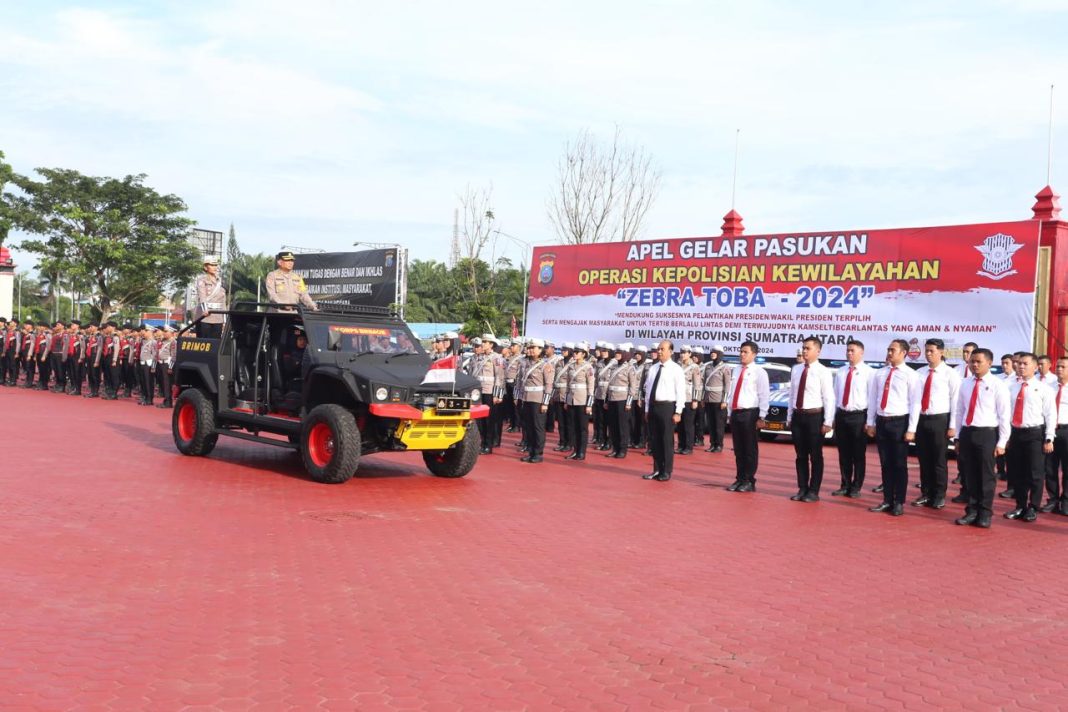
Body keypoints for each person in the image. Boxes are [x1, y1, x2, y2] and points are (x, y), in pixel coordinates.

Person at [953, 348, 1011, 528]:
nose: (974, 365)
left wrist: (1002, 441)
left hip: (987, 433)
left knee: (986, 475)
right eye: (972, 362)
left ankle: (985, 512)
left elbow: (1004, 415)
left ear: (989, 363)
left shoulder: (997, 385)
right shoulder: (965, 383)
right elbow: (960, 411)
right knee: (969, 474)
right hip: (968, 432)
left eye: (979, 362)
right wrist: (957, 436)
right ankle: (971, 510)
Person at [865, 339, 920, 517]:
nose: (889, 353)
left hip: (899, 422)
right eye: (888, 349)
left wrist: (911, 429)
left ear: (904, 353)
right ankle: (887, 499)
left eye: (893, 350)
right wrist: (871, 422)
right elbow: (873, 399)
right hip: (882, 421)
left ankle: (898, 502)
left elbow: (915, 403)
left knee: (899, 464)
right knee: (885, 463)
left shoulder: (911, 375)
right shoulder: (879, 373)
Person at [907, 338, 961, 510]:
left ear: (941, 352)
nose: (928, 354)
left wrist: (953, 425)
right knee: (924, 458)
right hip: (923, 419)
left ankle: (939, 495)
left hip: (940, 419)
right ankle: (926, 492)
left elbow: (955, 401)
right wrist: (913, 426)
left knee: (938, 460)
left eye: (932, 351)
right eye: (927, 351)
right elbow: (915, 400)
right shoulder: (920, 373)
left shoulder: (950, 374)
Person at [1002, 353, 1057, 522]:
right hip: (1015, 433)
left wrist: (1049, 438)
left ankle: (1033, 507)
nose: (1021, 367)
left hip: (1035, 434)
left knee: (1035, 473)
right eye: (1019, 364)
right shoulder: (1010, 387)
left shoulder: (1044, 388)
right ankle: (1020, 506)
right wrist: (1005, 436)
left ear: (1035, 367)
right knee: (1017, 472)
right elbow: (1005, 413)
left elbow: (1050, 415)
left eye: (1025, 364)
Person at [785, 336, 836, 502]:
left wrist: (828, 422)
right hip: (798, 416)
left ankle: (814, 491)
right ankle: (802, 488)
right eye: (803, 348)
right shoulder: (796, 369)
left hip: (815, 416)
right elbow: (792, 394)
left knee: (815, 455)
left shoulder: (823, 371)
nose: (804, 351)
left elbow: (829, 397)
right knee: (800, 455)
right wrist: (790, 416)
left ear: (818, 351)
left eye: (808, 348)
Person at [726, 341, 770, 492]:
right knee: (738, 449)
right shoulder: (736, 370)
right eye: (741, 351)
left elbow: (764, 395)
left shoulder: (759, 372)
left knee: (749, 448)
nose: (742, 354)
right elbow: (731, 392)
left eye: (745, 352)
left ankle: (749, 480)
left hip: (750, 413)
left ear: (754, 354)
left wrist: (762, 416)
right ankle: (740, 478)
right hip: (736, 412)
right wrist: (729, 412)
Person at [831, 340, 873, 498]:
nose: (849, 353)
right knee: (844, 453)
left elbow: (873, 398)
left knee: (858, 454)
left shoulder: (869, 372)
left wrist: (870, 422)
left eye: (852, 350)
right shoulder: (841, 371)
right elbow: (835, 396)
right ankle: (845, 484)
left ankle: (856, 486)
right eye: (847, 350)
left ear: (861, 353)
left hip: (859, 416)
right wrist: (833, 417)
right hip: (842, 414)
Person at [642, 340, 687, 482]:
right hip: (654, 406)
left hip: (667, 407)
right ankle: (656, 469)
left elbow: (681, 392)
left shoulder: (676, 369)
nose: (659, 351)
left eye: (662, 349)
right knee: (654, 440)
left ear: (671, 351)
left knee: (666, 440)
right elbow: (648, 390)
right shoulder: (653, 368)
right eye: (658, 349)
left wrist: (678, 411)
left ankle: (666, 471)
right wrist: (647, 409)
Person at [518, 338, 553, 463]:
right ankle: (531, 451)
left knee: (538, 427)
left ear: (540, 350)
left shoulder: (545, 365)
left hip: (538, 400)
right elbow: (520, 381)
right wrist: (519, 397)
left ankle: (538, 453)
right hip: (526, 398)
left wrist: (545, 402)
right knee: (528, 427)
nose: (531, 350)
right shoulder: (525, 363)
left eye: (534, 348)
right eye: (530, 347)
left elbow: (549, 385)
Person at [1044, 356, 1068, 515]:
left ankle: (1066, 501)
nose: (1059, 369)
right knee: (1049, 468)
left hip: (1067, 431)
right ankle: (1052, 500)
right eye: (1058, 366)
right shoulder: (1048, 387)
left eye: (1063, 367)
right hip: (1050, 431)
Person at [564, 341, 596, 461]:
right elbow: (568, 384)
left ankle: (581, 452)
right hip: (572, 400)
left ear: (583, 354)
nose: (574, 354)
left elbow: (591, 387)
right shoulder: (571, 366)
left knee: (582, 428)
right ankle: (574, 450)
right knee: (572, 426)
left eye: (577, 352)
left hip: (582, 401)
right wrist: (567, 400)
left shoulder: (588, 367)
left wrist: (589, 404)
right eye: (574, 352)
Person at [701, 345, 731, 453]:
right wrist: (703, 398)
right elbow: (705, 383)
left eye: (715, 352)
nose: (712, 354)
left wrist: (725, 401)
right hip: (709, 399)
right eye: (711, 352)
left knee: (719, 425)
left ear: (719, 354)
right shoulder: (708, 367)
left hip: (719, 401)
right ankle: (712, 444)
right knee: (711, 424)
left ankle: (719, 445)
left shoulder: (725, 368)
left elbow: (727, 385)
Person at [675, 346, 702, 456]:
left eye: (685, 352)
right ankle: (681, 445)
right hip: (678, 398)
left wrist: (695, 399)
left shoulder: (694, 367)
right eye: (681, 352)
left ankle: (688, 447)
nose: (682, 354)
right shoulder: (677, 365)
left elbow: (697, 384)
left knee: (688, 424)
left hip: (689, 398)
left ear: (690, 354)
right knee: (679, 424)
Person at [193, 256, 227, 339]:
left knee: (215, 344)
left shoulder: (220, 281)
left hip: (218, 317)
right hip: (205, 316)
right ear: (205, 267)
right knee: (204, 343)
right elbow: (202, 296)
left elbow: (223, 301)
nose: (214, 267)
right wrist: (205, 309)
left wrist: (225, 320)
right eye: (212, 265)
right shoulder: (202, 280)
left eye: (215, 265)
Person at [155, 326, 177, 408]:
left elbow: (173, 355)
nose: (164, 333)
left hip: (167, 364)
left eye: (166, 331)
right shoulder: (163, 341)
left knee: (167, 384)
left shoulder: (173, 342)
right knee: (164, 383)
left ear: (171, 332)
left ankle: (168, 402)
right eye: (164, 331)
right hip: (161, 363)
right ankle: (165, 400)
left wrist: (170, 367)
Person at [138, 326, 159, 406]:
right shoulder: (143, 341)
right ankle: (145, 397)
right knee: (143, 381)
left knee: (148, 382)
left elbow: (155, 355)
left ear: (150, 332)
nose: (144, 332)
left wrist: (153, 366)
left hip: (149, 364)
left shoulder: (153, 342)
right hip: (143, 363)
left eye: (146, 331)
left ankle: (149, 399)